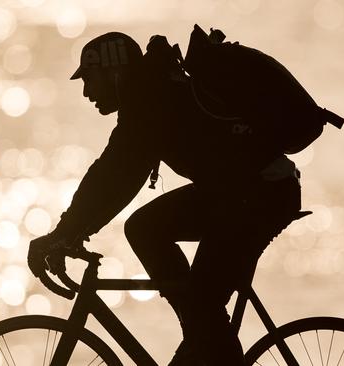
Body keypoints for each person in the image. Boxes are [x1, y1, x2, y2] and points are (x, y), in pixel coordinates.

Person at [27, 31, 302, 365]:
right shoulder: (152, 92)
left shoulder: (150, 99)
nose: (86, 92)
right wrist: (69, 232)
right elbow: (114, 176)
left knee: (200, 302)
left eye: (90, 78)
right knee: (148, 232)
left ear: (114, 71)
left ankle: (206, 340)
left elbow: (115, 175)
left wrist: (64, 234)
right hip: (241, 194)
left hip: (258, 196)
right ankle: (201, 337)